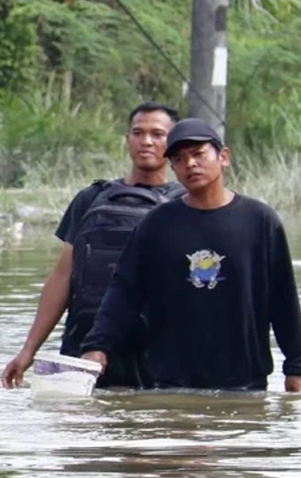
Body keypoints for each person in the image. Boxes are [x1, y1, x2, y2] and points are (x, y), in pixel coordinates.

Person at [81, 118, 301, 392]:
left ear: (224, 157)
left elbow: (283, 300)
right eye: (180, 159)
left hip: (245, 383)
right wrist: (97, 346)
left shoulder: (260, 220)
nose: (191, 164)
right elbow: (124, 291)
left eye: (198, 154)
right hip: (171, 383)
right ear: (173, 168)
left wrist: (296, 365)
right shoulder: (157, 224)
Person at [1, 102, 183, 390]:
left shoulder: (186, 203)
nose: (146, 141)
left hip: (158, 348)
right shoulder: (91, 199)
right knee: (80, 429)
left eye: (158, 134)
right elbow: (62, 278)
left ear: (174, 143)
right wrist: (28, 351)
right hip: (85, 343)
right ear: (127, 140)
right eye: (138, 132)